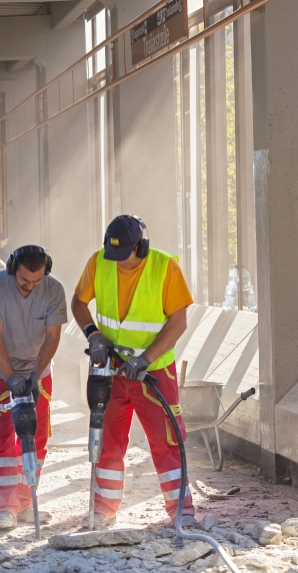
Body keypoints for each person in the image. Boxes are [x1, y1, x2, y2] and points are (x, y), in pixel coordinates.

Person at [70, 215, 197, 530]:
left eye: (124, 256)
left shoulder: (165, 268)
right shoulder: (100, 261)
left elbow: (178, 322)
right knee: (107, 439)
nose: (117, 263)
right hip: (112, 371)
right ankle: (103, 510)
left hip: (153, 373)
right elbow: (78, 302)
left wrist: (145, 359)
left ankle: (182, 510)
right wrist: (93, 334)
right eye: (112, 256)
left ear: (141, 247)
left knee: (167, 440)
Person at [0, 245, 67, 531]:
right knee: (2, 434)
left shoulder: (53, 290)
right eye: (24, 281)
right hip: (0, 370)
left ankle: (26, 500)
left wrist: (35, 375)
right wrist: (11, 377)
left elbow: (53, 338)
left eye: (36, 282)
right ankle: (3, 506)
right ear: (12, 267)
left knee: (36, 434)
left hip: (37, 369)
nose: (30, 287)